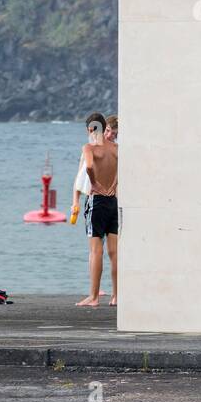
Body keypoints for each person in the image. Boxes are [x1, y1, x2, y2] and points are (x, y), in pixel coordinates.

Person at [76, 114, 119, 308]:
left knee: (96, 251)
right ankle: (116, 295)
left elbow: (90, 166)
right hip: (113, 200)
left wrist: (95, 184)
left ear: (90, 129)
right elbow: (122, 168)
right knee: (114, 251)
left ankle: (93, 297)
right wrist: (113, 185)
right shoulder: (117, 149)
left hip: (97, 201)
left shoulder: (89, 148)